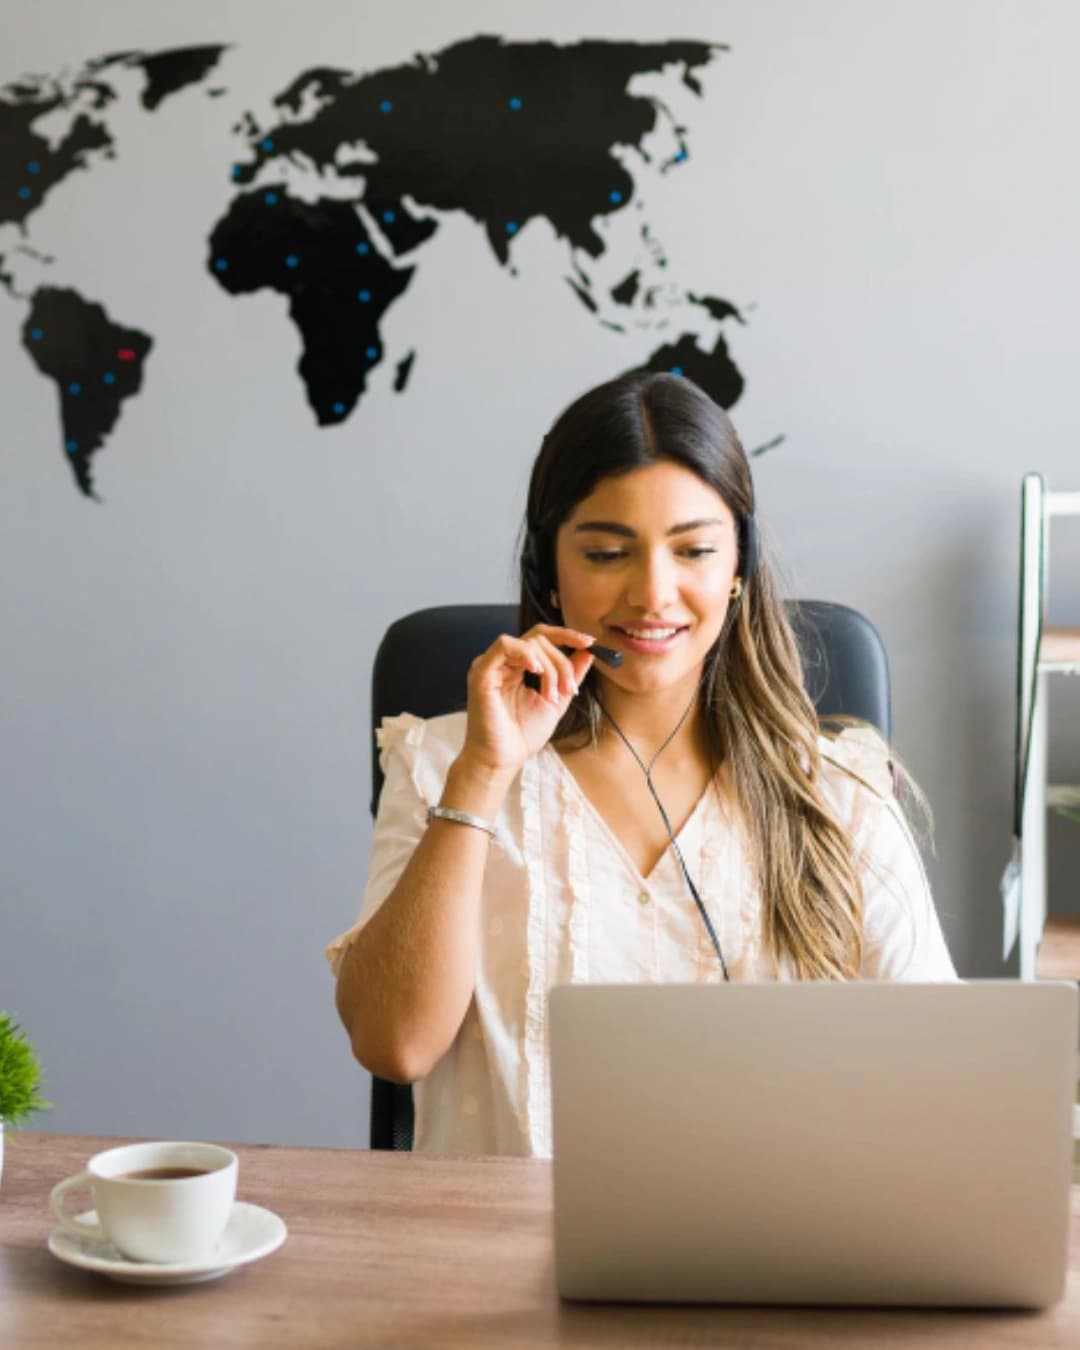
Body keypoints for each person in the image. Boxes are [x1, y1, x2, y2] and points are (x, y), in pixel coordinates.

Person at [327, 370, 957, 1156]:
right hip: (486, 1263)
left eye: (693, 549)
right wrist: (484, 775)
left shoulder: (837, 789)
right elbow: (394, 1047)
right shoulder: (447, 761)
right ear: (547, 573)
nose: (653, 593)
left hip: (774, 1257)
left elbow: (941, 1079)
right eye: (605, 552)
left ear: (738, 569)